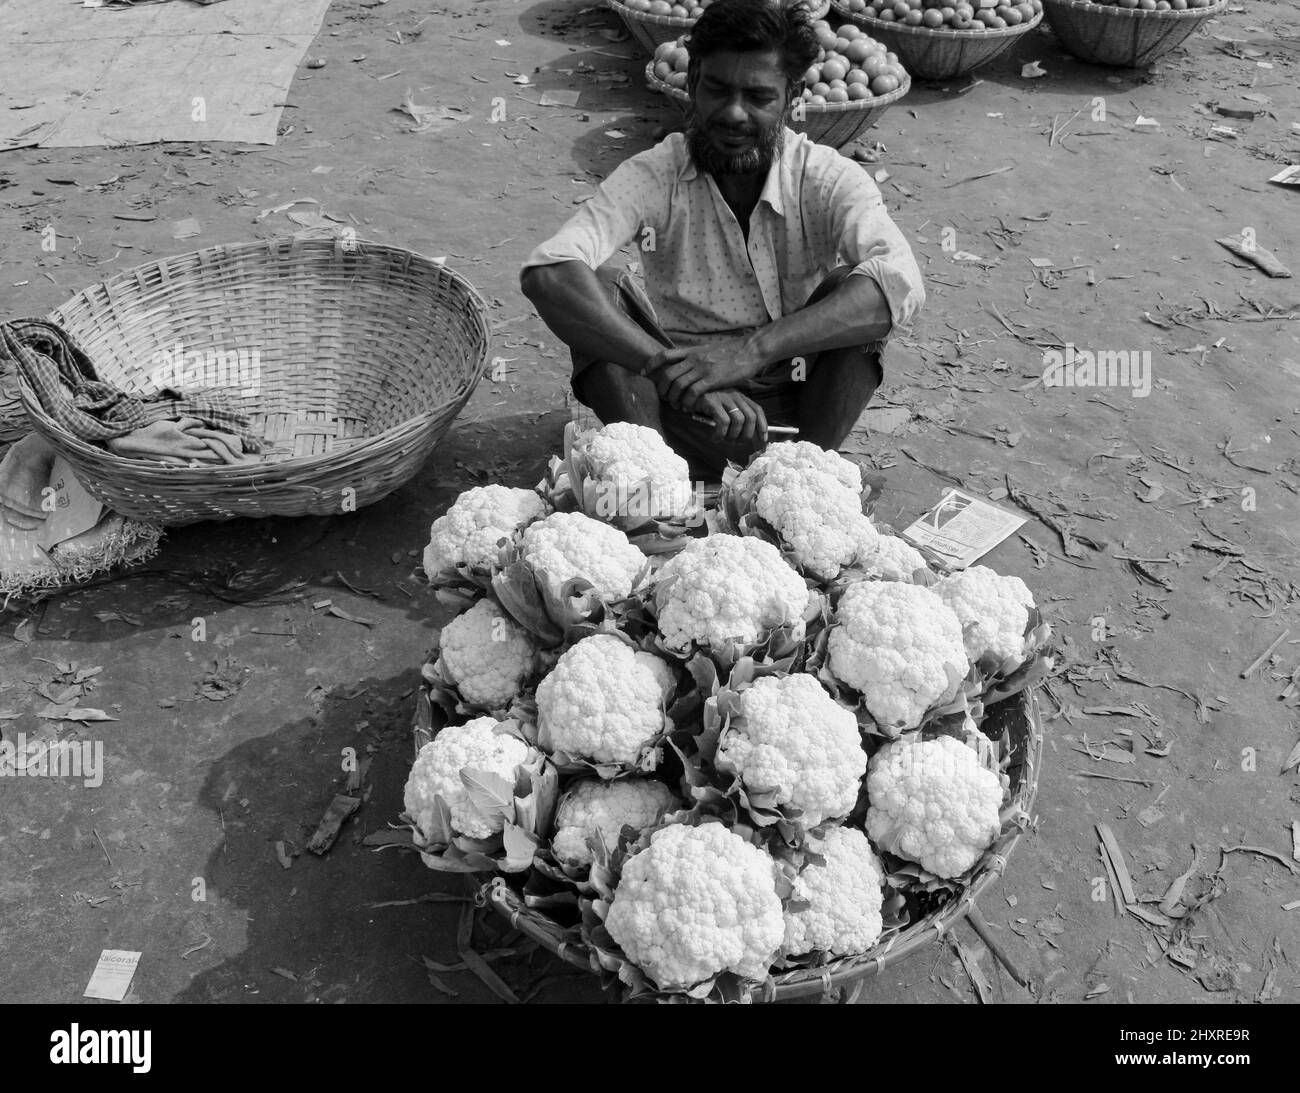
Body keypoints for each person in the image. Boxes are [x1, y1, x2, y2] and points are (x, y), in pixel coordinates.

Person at [520, 0, 924, 479]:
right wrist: (669, 371)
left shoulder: (827, 178)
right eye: (717, 89)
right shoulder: (654, 174)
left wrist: (751, 351)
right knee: (598, 286)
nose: (734, 113)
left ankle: (801, 482)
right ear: (691, 86)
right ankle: (660, 486)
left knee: (858, 291)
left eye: (758, 96)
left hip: (796, 416)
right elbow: (548, 272)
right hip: (673, 412)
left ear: (792, 98)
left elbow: (900, 284)